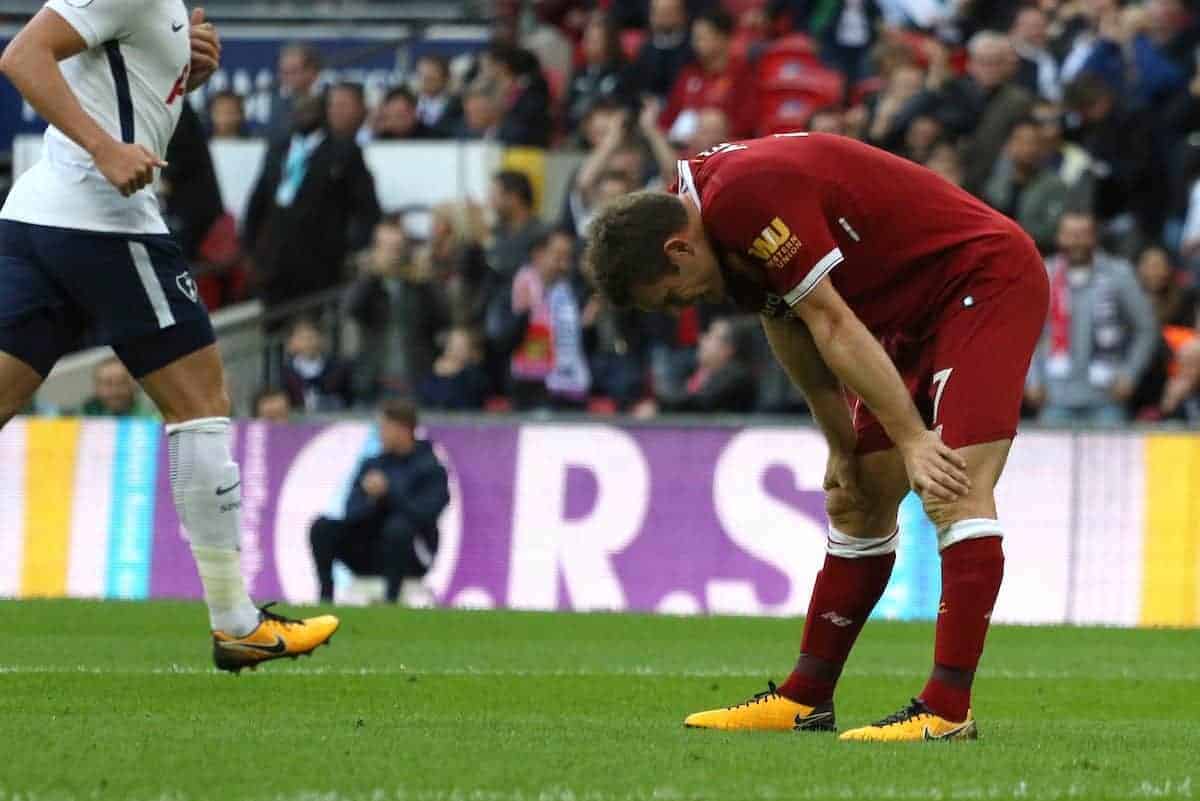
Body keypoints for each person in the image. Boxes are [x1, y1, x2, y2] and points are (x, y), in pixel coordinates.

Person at [584, 132, 1050, 741]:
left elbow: (828, 318)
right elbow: (785, 318)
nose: (682, 309)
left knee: (950, 484)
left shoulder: (744, 199)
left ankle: (947, 707)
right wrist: (839, 442)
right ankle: (806, 698)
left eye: (672, 295)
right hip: (907, 314)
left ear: (679, 248)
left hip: (983, 281)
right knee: (854, 496)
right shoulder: (706, 216)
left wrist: (912, 438)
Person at [0, 1, 337, 671]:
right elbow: (20, 56)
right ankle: (237, 622)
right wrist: (106, 148)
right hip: (103, 220)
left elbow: (119, 84)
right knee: (200, 404)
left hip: (37, 219)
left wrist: (183, 73)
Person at [242, 93, 381, 318]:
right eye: (299, 108)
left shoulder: (344, 151)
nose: (303, 113)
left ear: (323, 112)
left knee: (314, 328)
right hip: (275, 262)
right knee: (274, 329)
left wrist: (352, 248)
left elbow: (367, 208)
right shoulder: (279, 148)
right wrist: (248, 247)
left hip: (321, 262)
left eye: (311, 108)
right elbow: (258, 200)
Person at [309, 400, 450, 605]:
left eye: (384, 427)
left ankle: (391, 600)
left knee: (398, 528)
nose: (380, 433)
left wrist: (389, 493)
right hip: (369, 552)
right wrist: (371, 499)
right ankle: (325, 596)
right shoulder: (373, 464)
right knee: (322, 527)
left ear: (403, 429)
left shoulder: (431, 468)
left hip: (413, 555)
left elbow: (426, 513)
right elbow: (351, 512)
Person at [1025, 213, 1160, 425]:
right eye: (1070, 235)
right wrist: (1032, 379)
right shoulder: (1044, 274)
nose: (1076, 242)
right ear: (1059, 238)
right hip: (1055, 397)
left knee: (1111, 459)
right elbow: (1027, 333)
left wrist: (1130, 374)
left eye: (1083, 235)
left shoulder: (1119, 274)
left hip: (1107, 397)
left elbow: (1146, 328)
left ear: (1095, 237)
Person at [344, 216, 447, 403]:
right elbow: (352, 308)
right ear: (376, 248)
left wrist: (425, 280)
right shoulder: (368, 282)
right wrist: (372, 274)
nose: (394, 254)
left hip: (416, 380)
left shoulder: (417, 284)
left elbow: (443, 317)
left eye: (398, 247)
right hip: (374, 381)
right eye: (387, 247)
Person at [507, 229, 591, 410]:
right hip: (530, 386)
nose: (564, 264)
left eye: (568, 257)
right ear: (538, 255)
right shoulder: (518, 286)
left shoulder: (574, 290)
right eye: (558, 256)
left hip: (570, 387)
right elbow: (503, 337)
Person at [661, 10, 757, 143]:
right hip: (680, 148)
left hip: (724, 149)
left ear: (723, 38)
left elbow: (746, 124)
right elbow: (668, 119)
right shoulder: (689, 74)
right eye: (694, 38)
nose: (695, 44)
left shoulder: (741, 74)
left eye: (702, 38)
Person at [634, 317, 756, 416]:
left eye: (711, 336)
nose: (701, 339)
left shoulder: (736, 378)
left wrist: (660, 408)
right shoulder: (692, 371)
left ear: (728, 349)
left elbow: (699, 404)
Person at [982, 117, 1069, 253]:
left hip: (1038, 256)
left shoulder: (1056, 186)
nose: (1027, 148)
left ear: (1042, 148)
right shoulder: (994, 184)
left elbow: (1052, 232)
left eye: (1033, 142)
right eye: (1020, 141)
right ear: (1008, 146)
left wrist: (1010, 232)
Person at [281, 317, 354, 412]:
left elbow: (349, 401)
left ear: (321, 339)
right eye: (302, 338)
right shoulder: (285, 373)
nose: (308, 343)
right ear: (291, 343)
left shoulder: (339, 369)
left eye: (311, 337)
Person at [417, 327, 490, 411]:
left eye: (463, 346)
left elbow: (471, 400)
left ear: (471, 350)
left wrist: (457, 374)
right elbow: (425, 400)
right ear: (447, 348)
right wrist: (441, 374)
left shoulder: (475, 375)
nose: (458, 350)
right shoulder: (432, 375)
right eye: (455, 345)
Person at [263, 42, 322, 142]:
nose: (286, 78)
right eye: (283, 72)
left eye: (293, 72)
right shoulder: (279, 104)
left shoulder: (328, 102)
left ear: (312, 72)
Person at [77, 356, 153, 417]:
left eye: (122, 382)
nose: (115, 391)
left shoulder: (150, 412)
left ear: (134, 385)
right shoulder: (86, 412)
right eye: (108, 384)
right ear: (97, 387)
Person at [413, 54, 462, 137]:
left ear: (445, 78)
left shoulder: (457, 106)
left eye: (431, 77)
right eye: (421, 75)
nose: (425, 81)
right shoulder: (409, 103)